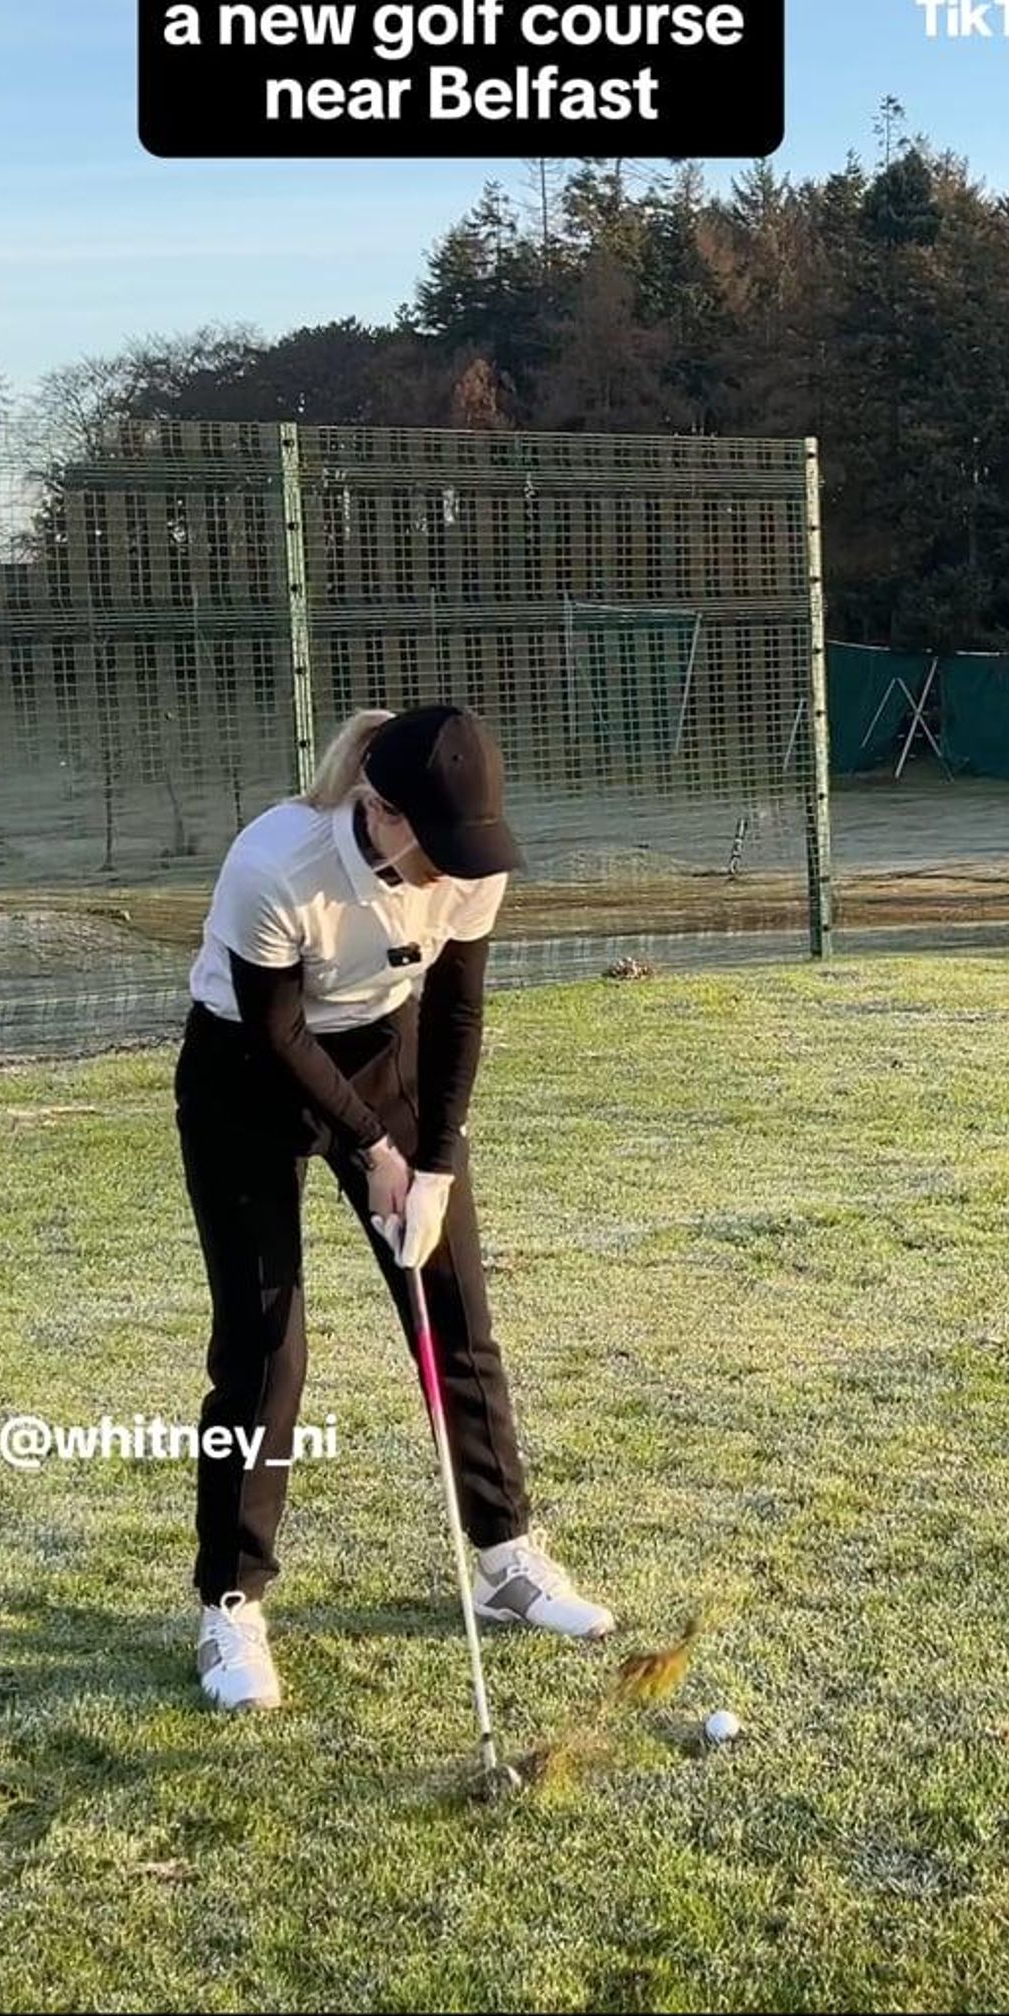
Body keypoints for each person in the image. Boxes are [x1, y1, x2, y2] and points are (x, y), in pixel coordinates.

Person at [174, 701, 616, 1711]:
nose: (458, 870)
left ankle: (505, 1558)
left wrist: (437, 1163)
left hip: (385, 1053)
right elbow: (278, 1035)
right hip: (246, 1075)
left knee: (457, 1311)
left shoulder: (469, 862)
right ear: (380, 810)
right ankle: (230, 1603)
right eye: (440, 848)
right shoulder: (275, 863)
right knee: (264, 1345)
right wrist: (375, 1153)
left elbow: (457, 1009)